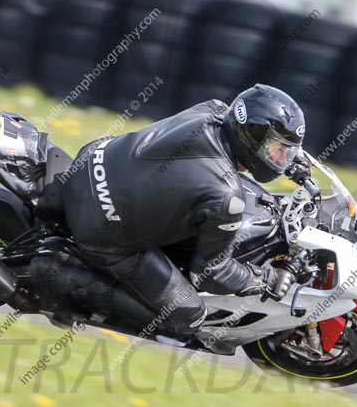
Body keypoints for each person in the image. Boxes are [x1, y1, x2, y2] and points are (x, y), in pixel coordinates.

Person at [58, 84, 306, 340]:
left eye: (286, 152)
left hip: (91, 158)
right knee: (188, 318)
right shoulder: (225, 193)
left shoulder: (213, 109)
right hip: (101, 232)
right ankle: (66, 282)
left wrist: (291, 161)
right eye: (277, 148)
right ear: (252, 135)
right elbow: (212, 273)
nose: (280, 158)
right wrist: (264, 279)